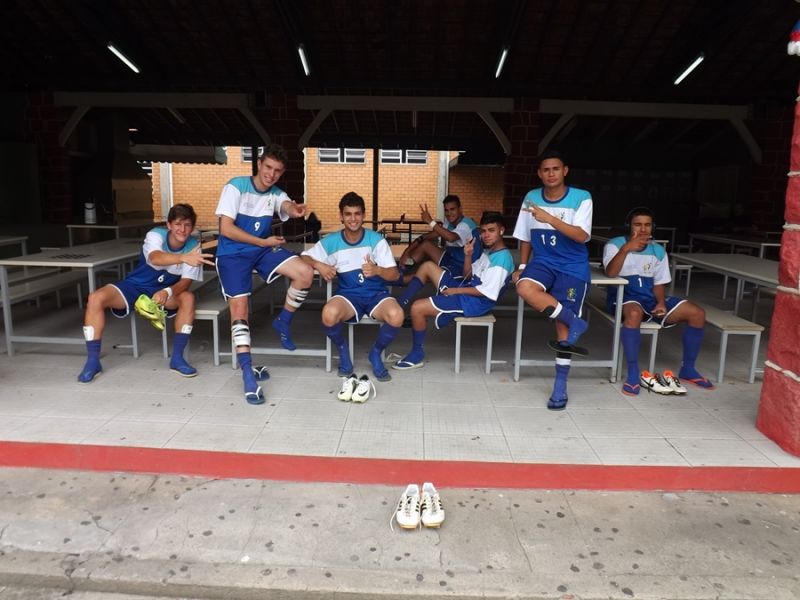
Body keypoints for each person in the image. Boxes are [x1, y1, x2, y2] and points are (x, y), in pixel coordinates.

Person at [214, 143, 314, 404]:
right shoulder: (235, 186)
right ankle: (248, 372)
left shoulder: (275, 193)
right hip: (233, 253)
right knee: (240, 309)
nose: (271, 174)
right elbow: (226, 229)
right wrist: (262, 241)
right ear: (259, 164)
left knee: (305, 272)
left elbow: (286, 204)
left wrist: (294, 210)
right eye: (268, 167)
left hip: (261, 249)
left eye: (277, 170)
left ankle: (283, 321)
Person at [77, 203, 214, 383]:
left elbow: (186, 282)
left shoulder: (193, 246)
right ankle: (93, 362)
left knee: (188, 298)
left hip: (163, 291)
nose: (182, 229)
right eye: (178, 224)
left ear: (192, 227)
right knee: (96, 298)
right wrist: (183, 258)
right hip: (135, 285)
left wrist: (167, 291)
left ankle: (177, 358)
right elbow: (155, 258)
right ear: (169, 225)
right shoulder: (155, 235)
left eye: (187, 225)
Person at [512, 150, 592, 411]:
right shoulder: (531, 197)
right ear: (539, 173)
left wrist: (549, 219)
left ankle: (560, 385)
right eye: (546, 169)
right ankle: (575, 320)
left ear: (564, 171)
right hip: (543, 261)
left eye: (555, 169)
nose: (551, 173)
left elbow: (581, 236)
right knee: (524, 287)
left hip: (572, 265)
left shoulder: (582, 197)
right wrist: (522, 266)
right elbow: (525, 236)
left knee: (562, 329)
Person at [603, 206, 714, 395]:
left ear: (653, 227)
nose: (643, 229)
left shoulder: (658, 251)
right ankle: (633, 373)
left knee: (697, 313)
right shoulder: (614, 245)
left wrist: (661, 302)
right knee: (634, 313)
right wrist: (626, 249)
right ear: (628, 226)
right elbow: (611, 273)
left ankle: (688, 368)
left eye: (647, 225)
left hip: (649, 298)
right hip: (623, 297)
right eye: (637, 224)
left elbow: (659, 283)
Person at [301, 192, 403, 386]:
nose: (353, 219)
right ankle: (343, 352)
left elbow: (394, 274)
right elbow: (304, 256)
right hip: (348, 295)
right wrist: (319, 265)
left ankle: (375, 353)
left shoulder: (376, 240)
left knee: (397, 315)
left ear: (363, 215)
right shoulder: (331, 241)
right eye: (348, 214)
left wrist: (378, 270)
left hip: (376, 295)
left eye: (357, 213)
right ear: (341, 216)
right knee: (328, 313)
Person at [392, 211, 513, 370]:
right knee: (427, 266)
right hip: (466, 289)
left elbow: (486, 292)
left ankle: (417, 354)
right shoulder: (489, 252)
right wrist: (468, 255)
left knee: (417, 308)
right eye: (483, 231)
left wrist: (455, 291)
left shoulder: (502, 258)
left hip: (475, 303)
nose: (486, 235)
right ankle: (400, 305)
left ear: (501, 231)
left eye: (491, 230)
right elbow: (467, 274)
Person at [396, 195, 481, 299]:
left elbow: (451, 237)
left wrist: (430, 221)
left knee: (428, 271)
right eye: (446, 210)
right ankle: (402, 270)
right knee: (426, 244)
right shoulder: (448, 223)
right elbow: (425, 237)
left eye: (452, 209)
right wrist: (407, 252)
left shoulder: (467, 224)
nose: (449, 213)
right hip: (452, 259)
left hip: (465, 268)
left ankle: (400, 280)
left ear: (460, 209)